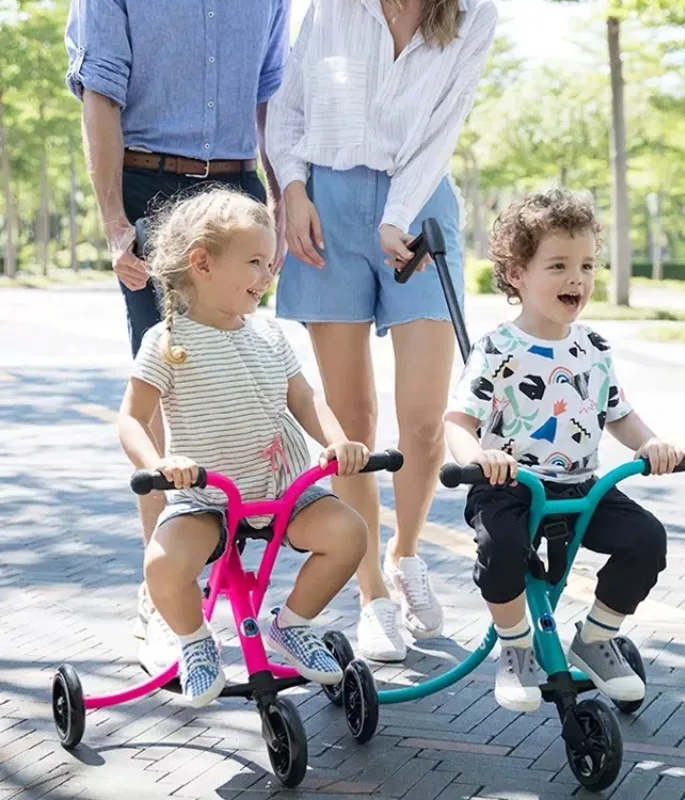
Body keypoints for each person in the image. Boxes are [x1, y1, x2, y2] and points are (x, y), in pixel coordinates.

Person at [265, 0, 498, 662]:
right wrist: (291, 190)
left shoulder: (474, 14)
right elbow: (289, 104)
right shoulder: (334, 8)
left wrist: (395, 214)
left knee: (425, 418)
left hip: (419, 204)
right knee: (351, 420)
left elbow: (441, 131)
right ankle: (371, 596)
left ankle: (406, 553)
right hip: (326, 207)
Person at [64, 0, 291, 667]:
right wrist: (114, 221)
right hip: (149, 187)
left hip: (237, 190)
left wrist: (277, 199)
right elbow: (100, 93)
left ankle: (231, 584)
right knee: (169, 381)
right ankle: (163, 592)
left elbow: (269, 98)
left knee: (242, 365)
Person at [116, 187, 370, 707]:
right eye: (255, 261)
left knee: (348, 534)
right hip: (208, 498)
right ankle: (194, 640)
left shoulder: (270, 335)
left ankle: (291, 626)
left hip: (283, 491)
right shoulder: (167, 342)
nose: (267, 273)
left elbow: (304, 397)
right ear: (202, 263)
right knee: (163, 564)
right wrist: (160, 464)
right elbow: (131, 420)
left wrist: (339, 441)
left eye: (269, 260)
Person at [443, 187, 677, 712]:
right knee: (501, 550)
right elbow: (458, 420)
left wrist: (653, 443)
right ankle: (516, 646)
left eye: (587, 265)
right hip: (510, 488)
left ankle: (596, 636)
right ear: (517, 274)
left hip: (579, 489)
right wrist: (477, 457)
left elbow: (618, 413)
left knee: (646, 538)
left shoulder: (593, 347)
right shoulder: (499, 348)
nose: (578, 278)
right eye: (559, 265)